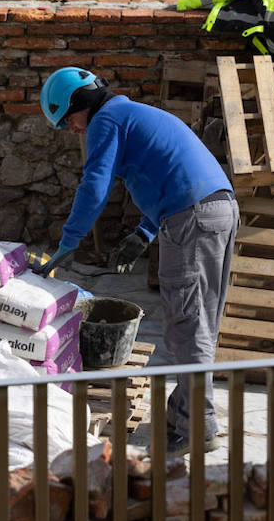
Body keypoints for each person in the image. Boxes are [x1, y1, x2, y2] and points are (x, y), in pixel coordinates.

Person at [34, 67, 237, 453]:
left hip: (193, 216)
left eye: (69, 121)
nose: (73, 130)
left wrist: (69, 241)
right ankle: (188, 417)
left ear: (81, 104)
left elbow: (94, 184)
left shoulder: (106, 121)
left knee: (187, 324)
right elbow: (171, 174)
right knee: (198, 320)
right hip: (214, 209)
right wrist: (145, 232)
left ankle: (197, 428)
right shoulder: (132, 115)